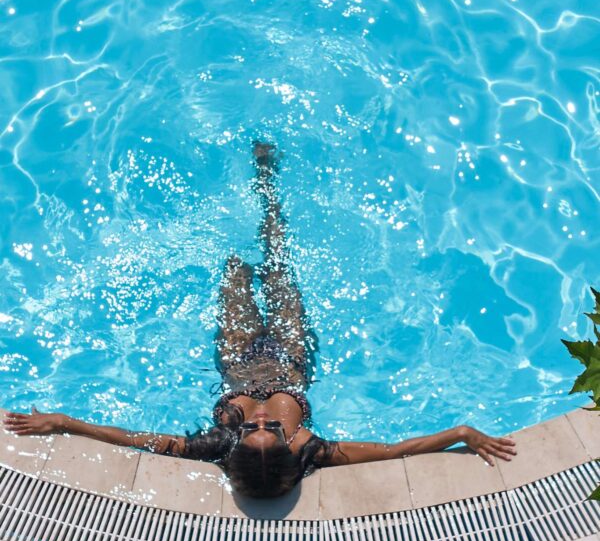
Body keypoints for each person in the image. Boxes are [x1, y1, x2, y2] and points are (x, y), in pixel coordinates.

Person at [3, 141, 517, 499]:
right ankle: (267, 183)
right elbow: (393, 451)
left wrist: (63, 421)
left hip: (238, 355)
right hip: (293, 355)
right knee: (276, 261)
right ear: (291, 451)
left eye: (256, 430)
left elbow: (132, 438)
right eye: (274, 429)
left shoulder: (213, 445)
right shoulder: (312, 449)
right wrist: (462, 432)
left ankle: (222, 196)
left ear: (238, 445)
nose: (265, 421)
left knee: (232, 270)